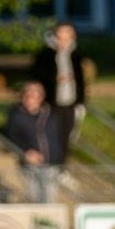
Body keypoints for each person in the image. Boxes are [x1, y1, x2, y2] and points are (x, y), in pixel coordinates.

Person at [30, 22, 88, 164]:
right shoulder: (46, 54)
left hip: (70, 102)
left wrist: (81, 101)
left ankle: (62, 166)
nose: (64, 37)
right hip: (51, 102)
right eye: (62, 33)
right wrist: (54, 79)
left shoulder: (75, 54)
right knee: (50, 135)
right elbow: (36, 75)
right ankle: (50, 164)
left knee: (67, 136)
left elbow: (81, 80)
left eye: (68, 33)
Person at [3, 81, 63, 202]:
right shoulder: (16, 116)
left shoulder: (51, 114)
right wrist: (26, 152)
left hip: (52, 165)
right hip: (30, 166)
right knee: (35, 198)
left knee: (50, 199)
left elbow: (59, 137)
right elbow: (11, 138)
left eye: (33, 96)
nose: (29, 99)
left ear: (40, 97)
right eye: (26, 95)